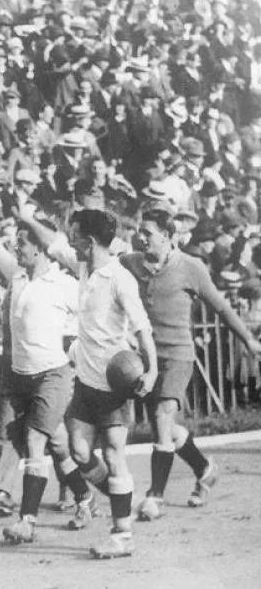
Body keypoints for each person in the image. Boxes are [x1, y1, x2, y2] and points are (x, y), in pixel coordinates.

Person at [0, 190, 94, 543]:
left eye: (21, 243)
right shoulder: (17, 277)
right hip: (17, 377)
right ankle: (84, 495)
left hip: (52, 376)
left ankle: (27, 521)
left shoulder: (65, 284)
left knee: (36, 441)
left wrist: (77, 350)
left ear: (38, 248)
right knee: (58, 447)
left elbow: (93, 319)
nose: (16, 248)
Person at [124, 208, 261, 520]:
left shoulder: (192, 267)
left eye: (148, 232)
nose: (141, 237)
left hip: (178, 356)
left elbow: (222, 308)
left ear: (169, 236)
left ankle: (154, 497)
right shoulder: (131, 263)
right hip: (146, 360)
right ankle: (204, 468)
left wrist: (248, 340)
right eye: (140, 232)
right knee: (165, 428)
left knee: (162, 416)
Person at [62, 209, 159, 559]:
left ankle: (122, 535)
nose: (70, 242)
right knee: (79, 451)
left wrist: (151, 372)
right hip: (86, 383)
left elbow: (142, 329)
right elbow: (51, 244)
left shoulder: (120, 278)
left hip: (115, 384)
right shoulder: (85, 269)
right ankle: (124, 501)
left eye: (74, 237)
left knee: (113, 454)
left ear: (88, 242)